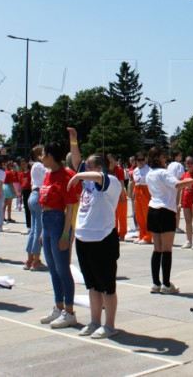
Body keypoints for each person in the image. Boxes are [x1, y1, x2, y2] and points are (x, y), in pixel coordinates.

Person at [68, 154, 122, 339]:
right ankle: (95, 321)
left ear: (99, 167)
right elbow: (76, 162)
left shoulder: (111, 182)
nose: (83, 170)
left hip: (103, 238)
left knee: (107, 286)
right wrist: (73, 140)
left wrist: (77, 176)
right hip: (84, 238)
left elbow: (99, 178)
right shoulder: (89, 184)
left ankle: (110, 325)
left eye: (88, 167)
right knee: (92, 286)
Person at [144, 146, 193, 295]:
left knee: (157, 249)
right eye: (163, 156)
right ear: (158, 158)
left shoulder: (150, 173)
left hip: (152, 210)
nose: (166, 159)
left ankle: (155, 283)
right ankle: (166, 284)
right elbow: (177, 184)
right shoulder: (163, 173)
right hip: (165, 211)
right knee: (167, 250)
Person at [38, 139, 81, 329]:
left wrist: (66, 233)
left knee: (63, 269)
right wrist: (41, 231)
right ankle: (59, 306)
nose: (41, 158)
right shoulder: (48, 175)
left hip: (59, 222)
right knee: (53, 269)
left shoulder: (66, 176)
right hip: (46, 222)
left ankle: (69, 312)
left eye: (43, 154)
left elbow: (71, 207)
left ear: (50, 156)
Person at [24, 146, 47, 271]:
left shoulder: (34, 166)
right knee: (38, 229)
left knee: (34, 229)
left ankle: (30, 259)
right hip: (38, 194)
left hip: (33, 195)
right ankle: (36, 260)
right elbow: (49, 174)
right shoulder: (39, 166)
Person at [132, 152, 152, 244]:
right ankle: (141, 234)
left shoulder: (149, 170)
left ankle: (148, 236)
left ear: (145, 160)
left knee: (146, 215)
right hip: (137, 192)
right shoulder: (135, 170)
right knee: (139, 215)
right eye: (138, 160)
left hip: (146, 192)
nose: (140, 162)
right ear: (135, 161)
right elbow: (134, 182)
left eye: (142, 159)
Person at [107, 153, 128, 242]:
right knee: (112, 217)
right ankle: (114, 233)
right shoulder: (106, 171)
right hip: (110, 197)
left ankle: (122, 234)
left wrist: (122, 196)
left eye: (112, 160)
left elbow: (121, 184)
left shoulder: (118, 170)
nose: (111, 162)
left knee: (122, 216)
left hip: (120, 195)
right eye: (109, 161)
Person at [168, 151, 185, 233]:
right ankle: (176, 226)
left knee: (171, 206)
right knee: (177, 206)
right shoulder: (179, 165)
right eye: (180, 155)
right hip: (177, 186)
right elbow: (182, 176)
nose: (181, 156)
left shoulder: (169, 165)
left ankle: (171, 225)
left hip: (169, 187)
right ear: (176, 157)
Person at [19, 159, 32, 235]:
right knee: (26, 209)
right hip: (24, 191)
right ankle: (28, 226)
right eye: (22, 164)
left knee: (31, 208)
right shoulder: (21, 174)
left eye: (24, 163)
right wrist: (20, 195)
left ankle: (32, 225)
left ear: (27, 163)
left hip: (30, 190)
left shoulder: (30, 173)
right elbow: (21, 185)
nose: (23, 165)